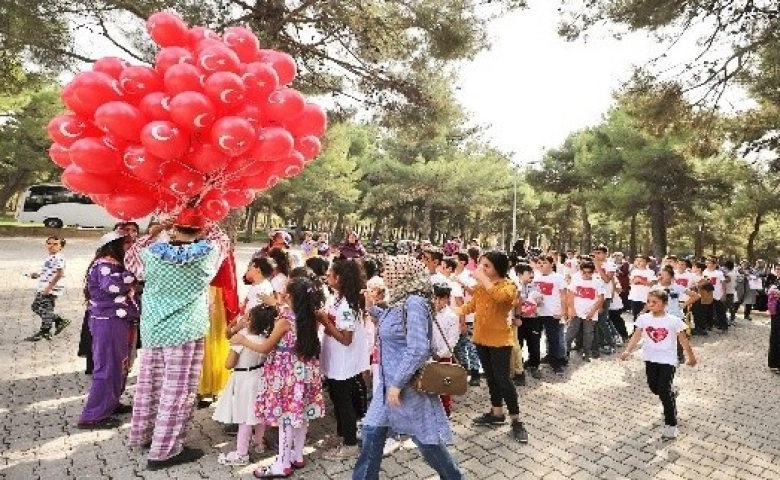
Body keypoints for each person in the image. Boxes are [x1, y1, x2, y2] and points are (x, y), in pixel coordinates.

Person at [125, 210, 230, 470]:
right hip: (185, 331)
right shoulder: (206, 256)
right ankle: (165, 451)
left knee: (150, 385)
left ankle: (145, 435)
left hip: (153, 329)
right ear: (201, 230)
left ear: (174, 229)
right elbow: (223, 240)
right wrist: (206, 216)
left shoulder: (150, 255)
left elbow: (130, 256)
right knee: (177, 391)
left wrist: (159, 227)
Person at [353, 256, 464, 480]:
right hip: (388, 387)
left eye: (389, 271)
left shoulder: (414, 303)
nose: (385, 275)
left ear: (403, 274)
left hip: (407, 388)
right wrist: (371, 308)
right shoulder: (400, 300)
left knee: (427, 443)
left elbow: (418, 348)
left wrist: (397, 384)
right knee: (371, 433)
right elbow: (392, 325)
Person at [232, 277, 325, 478]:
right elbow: (285, 308)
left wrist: (242, 340)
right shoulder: (310, 315)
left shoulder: (284, 321)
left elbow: (266, 347)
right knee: (302, 414)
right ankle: (297, 455)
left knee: (286, 419)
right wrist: (277, 304)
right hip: (305, 370)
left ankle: (282, 464)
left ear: (289, 296)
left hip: (286, 374)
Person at [456, 251, 527, 443]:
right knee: (491, 379)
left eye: (486, 266)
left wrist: (481, 279)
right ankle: (497, 413)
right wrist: (449, 310)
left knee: (503, 379)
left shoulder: (509, 286)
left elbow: (499, 298)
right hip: (481, 338)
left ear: (499, 268)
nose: (482, 269)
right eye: (481, 265)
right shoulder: (482, 286)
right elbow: (471, 306)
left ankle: (516, 420)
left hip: (500, 340)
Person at [77, 231, 137, 429]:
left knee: (119, 365)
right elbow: (112, 287)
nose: (130, 247)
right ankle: (93, 416)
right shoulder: (105, 265)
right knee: (107, 367)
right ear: (115, 246)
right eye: (126, 243)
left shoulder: (113, 264)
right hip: (108, 321)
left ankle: (110, 403)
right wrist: (132, 276)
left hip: (118, 320)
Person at [620, 290, 697, 439]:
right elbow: (636, 335)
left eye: (655, 302)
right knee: (655, 388)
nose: (651, 305)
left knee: (663, 388)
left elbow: (683, 340)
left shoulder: (673, 320)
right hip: (650, 358)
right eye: (649, 302)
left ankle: (671, 424)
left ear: (664, 304)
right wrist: (627, 351)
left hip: (668, 359)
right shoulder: (643, 318)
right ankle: (671, 394)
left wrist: (691, 357)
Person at [317, 259, 369, 460]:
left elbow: (346, 339)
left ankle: (350, 443)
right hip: (335, 358)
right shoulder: (337, 298)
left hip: (344, 361)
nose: (327, 277)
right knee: (337, 399)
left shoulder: (347, 305)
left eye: (330, 274)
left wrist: (324, 322)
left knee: (343, 401)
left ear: (339, 278)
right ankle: (342, 434)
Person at [213, 305, 275, 465]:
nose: (244, 319)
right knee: (258, 413)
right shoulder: (266, 339)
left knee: (244, 416)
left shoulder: (241, 340)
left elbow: (229, 364)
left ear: (251, 322)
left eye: (248, 317)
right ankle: (259, 443)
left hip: (243, 379)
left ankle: (241, 453)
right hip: (260, 377)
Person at [25, 236, 69, 341]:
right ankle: (59, 320)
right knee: (36, 307)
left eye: (55, 244)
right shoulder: (50, 257)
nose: (51, 246)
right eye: (49, 243)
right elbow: (49, 272)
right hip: (44, 286)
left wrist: (49, 288)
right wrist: (37, 275)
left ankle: (45, 331)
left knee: (46, 309)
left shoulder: (58, 257)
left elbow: (60, 274)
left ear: (61, 247)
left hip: (51, 288)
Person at [565, 262, 605, 362]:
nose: (586, 274)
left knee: (588, 333)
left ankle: (586, 353)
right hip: (577, 312)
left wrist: (593, 311)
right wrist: (572, 310)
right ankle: (565, 352)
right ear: (581, 271)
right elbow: (570, 295)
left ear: (593, 272)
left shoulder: (598, 282)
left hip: (590, 312)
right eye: (584, 272)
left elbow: (601, 298)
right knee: (571, 331)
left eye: (589, 272)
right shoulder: (576, 280)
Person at [431, 283, 460, 417]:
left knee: (444, 386)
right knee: (429, 384)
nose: (436, 302)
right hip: (429, 355)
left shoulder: (451, 316)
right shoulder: (428, 313)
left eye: (440, 299)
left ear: (447, 299)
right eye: (434, 298)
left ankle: (446, 411)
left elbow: (452, 340)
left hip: (444, 356)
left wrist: (440, 353)